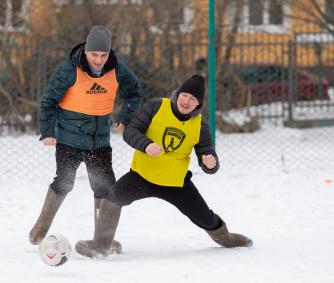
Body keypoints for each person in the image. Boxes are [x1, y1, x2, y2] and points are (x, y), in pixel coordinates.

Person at [75, 74, 253, 258]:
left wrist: (211, 163)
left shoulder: (200, 126)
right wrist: (146, 144)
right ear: (178, 94)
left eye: (193, 99)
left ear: (198, 105)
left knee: (204, 216)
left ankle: (226, 238)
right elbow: (131, 131)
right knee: (112, 199)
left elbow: (207, 153)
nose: (187, 101)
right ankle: (102, 245)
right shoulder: (156, 106)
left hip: (175, 182)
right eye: (185, 95)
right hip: (141, 176)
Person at [29, 26, 142, 254]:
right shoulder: (70, 69)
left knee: (106, 188)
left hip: (99, 141)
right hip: (69, 139)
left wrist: (124, 116)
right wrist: (48, 132)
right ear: (86, 52)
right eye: (94, 55)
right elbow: (49, 101)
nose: (99, 60)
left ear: (109, 53)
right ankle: (40, 229)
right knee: (64, 182)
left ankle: (103, 240)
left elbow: (134, 92)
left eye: (103, 55)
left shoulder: (117, 69)